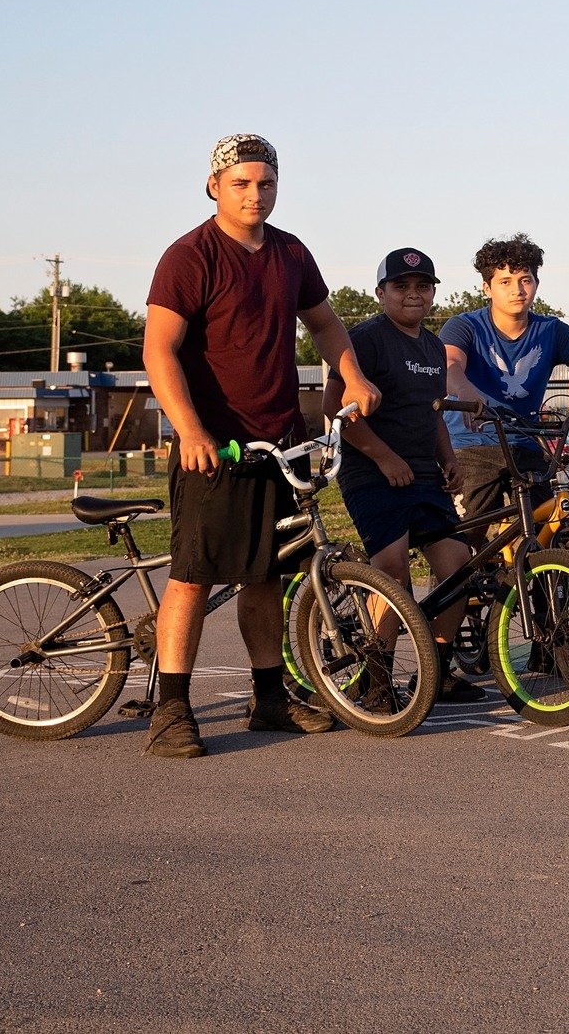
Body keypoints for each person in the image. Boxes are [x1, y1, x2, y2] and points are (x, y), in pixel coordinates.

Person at [140, 134, 380, 758]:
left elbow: (325, 324)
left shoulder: (291, 254)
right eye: (242, 183)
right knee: (192, 577)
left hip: (280, 441)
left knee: (267, 575)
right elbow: (159, 349)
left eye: (266, 183)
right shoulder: (190, 256)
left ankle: (269, 697)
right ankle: (170, 709)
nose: (256, 194)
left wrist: (352, 374)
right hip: (213, 449)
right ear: (215, 185)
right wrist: (189, 430)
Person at [324, 248, 486, 703]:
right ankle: (376, 680)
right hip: (371, 474)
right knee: (392, 569)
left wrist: (448, 458)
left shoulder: (434, 347)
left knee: (459, 568)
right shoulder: (364, 340)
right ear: (381, 293)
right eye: (401, 287)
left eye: (423, 286)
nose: (413, 295)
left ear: (434, 292)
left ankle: (435, 670)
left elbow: (432, 414)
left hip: (423, 476)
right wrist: (383, 457)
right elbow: (334, 410)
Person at [440, 234, 569, 522]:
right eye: (505, 282)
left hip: (524, 442)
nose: (517, 290)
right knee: (467, 537)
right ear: (487, 288)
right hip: (471, 443)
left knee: (548, 526)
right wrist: (466, 391)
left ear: (536, 283)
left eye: (525, 280)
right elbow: (450, 364)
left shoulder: (551, 330)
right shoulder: (465, 326)